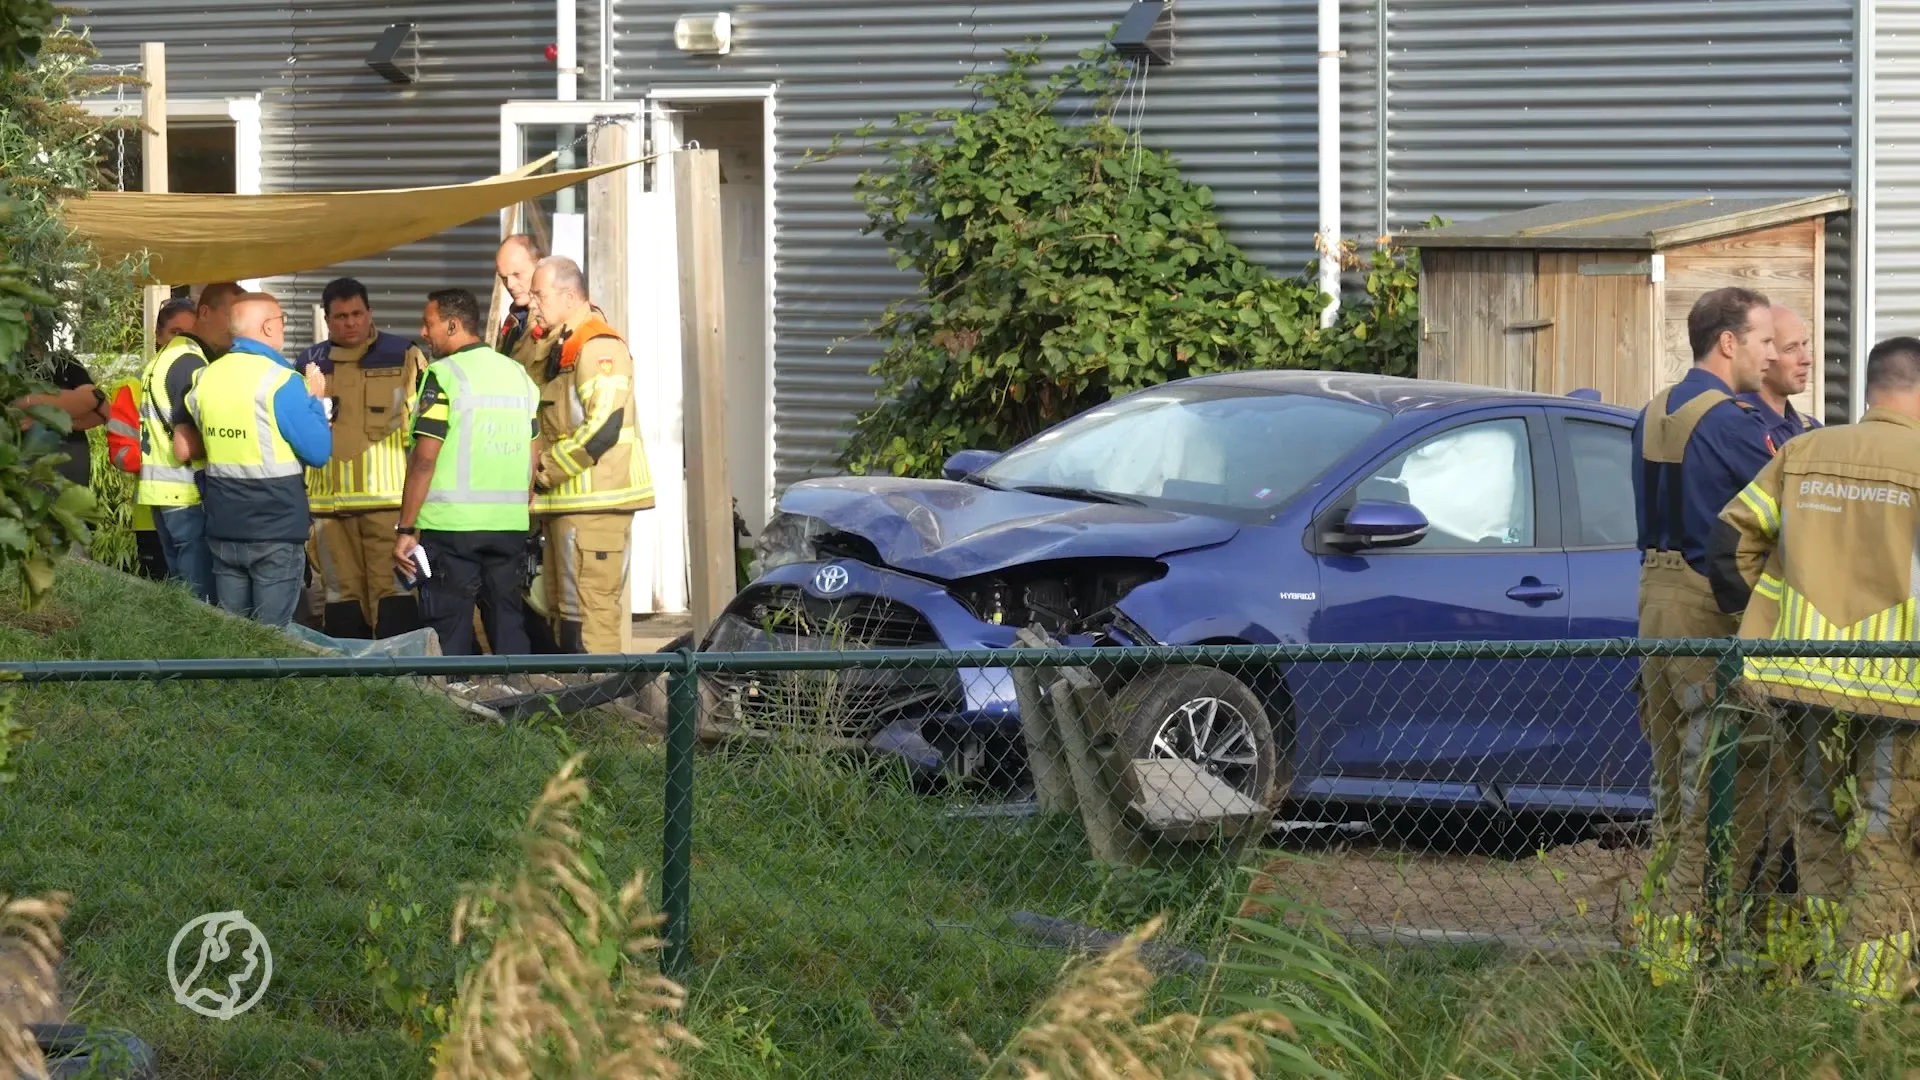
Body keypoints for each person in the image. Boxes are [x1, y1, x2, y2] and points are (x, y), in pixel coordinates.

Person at [1708, 335, 1920, 1006]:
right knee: (1884, 834)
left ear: (1870, 389)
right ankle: (1872, 997)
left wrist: (1771, 625)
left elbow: (1729, 542)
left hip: (1798, 685)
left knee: (1818, 825)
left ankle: (1829, 971)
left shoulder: (1802, 453)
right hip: (1898, 693)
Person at [1627, 285, 1779, 983]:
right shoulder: (1730, 419)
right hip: (1703, 605)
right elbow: (1784, 499)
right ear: (1729, 343)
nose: (1769, 355)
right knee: (1722, 773)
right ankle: (1693, 937)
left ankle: (1659, 932)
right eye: (1763, 342)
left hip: (1652, 600)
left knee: (1669, 786)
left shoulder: (1654, 408)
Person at [392, 288, 541, 655]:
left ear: (453, 324)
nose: (424, 334)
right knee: (507, 624)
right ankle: (523, 706)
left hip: (451, 530)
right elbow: (534, 449)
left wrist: (406, 528)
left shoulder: (443, 376)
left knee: (448, 630)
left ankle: (452, 710)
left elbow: (425, 458)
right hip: (508, 527)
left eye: (429, 325)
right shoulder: (518, 375)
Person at [178, 292, 332, 628]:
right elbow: (318, 452)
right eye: (281, 323)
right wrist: (316, 401)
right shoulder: (281, 381)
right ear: (266, 327)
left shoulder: (205, 379)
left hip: (224, 526)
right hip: (274, 528)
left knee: (234, 635)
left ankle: (231, 682)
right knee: (272, 639)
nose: (283, 331)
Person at [526, 256, 655, 654]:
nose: (533, 302)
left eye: (539, 294)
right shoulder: (555, 343)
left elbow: (603, 427)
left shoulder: (597, 345)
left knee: (591, 614)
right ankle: (574, 707)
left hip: (598, 503)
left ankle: (600, 709)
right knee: (564, 612)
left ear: (568, 295)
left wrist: (543, 472)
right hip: (566, 505)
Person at [297, 277, 430, 639]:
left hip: (388, 505)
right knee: (341, 600)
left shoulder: (404, 355)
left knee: (395, 596)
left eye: (357, 313)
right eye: (340, 316)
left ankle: (403, 682)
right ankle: (349, 686)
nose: (350, 322)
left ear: (370, 312)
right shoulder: (310, 362)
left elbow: (426, 430)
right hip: (328, 509)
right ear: (327, 319)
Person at [132, 282, 244, 603]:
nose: (238, 327)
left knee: (184, 602)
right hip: (186, 494)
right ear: (205, 313)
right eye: (232, 316)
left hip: (162, 491)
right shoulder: (189, 362)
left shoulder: (168, 357)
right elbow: (188, 443)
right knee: (202, 604)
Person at [1739, 304, 1823, 452]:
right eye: (1790, 349)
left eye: (1804, 344)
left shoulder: (1812, 430)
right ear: (1763, 354)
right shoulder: (1738, 426)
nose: (1807, 359)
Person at [494, 234, 551, 380]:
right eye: (504, 277)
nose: (510, 285)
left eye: (517, 274)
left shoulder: (557, 316)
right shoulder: (515, 319)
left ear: (540, 265)